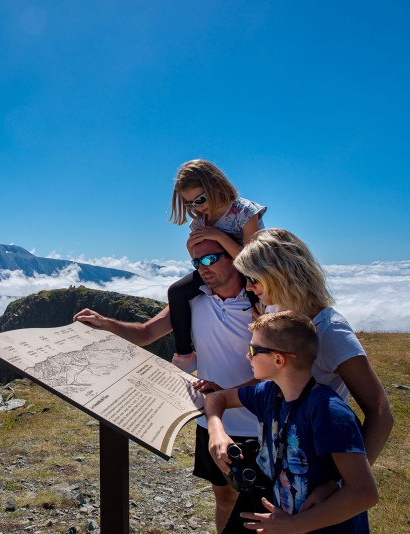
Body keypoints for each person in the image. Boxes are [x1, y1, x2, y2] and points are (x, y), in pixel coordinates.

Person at [74, 238, 259, 532]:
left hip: (259, 418)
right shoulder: (194, 301)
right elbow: (147, 333)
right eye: (196, 263)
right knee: (224, 497)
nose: (202, 269)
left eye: (210, 259)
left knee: (262, 505)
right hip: (212, 422)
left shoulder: (260, 303)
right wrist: (106, 323)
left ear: (234, 257)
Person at [205, 311, 378, 532]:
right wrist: (217, 432)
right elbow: (216, 398)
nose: (247, 356)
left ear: (278, 359)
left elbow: (364, 493)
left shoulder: (328, 412)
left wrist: (295, 525)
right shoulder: (269, 393)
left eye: (253, 350)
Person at [233, 228, 393, 467]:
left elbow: (380, 413)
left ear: (278, 275)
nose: (248, 287)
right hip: (285, 460)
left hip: (322, 466)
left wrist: (347, 483)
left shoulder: (331, 331)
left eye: (253, 279)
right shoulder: (276, 312)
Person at [167, 160, 266, 372]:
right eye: (190, 203)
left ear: (215, 185)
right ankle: (185, 354)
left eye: (200, 199)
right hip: (223, 272)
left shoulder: (245, 212)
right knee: (176, 292)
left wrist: (218, 236)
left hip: (254, 273)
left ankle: (265, 355)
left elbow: (252, 261)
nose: (197, 207)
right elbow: (201, 260)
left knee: (263, 316)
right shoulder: (199, 223)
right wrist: (190, 248)